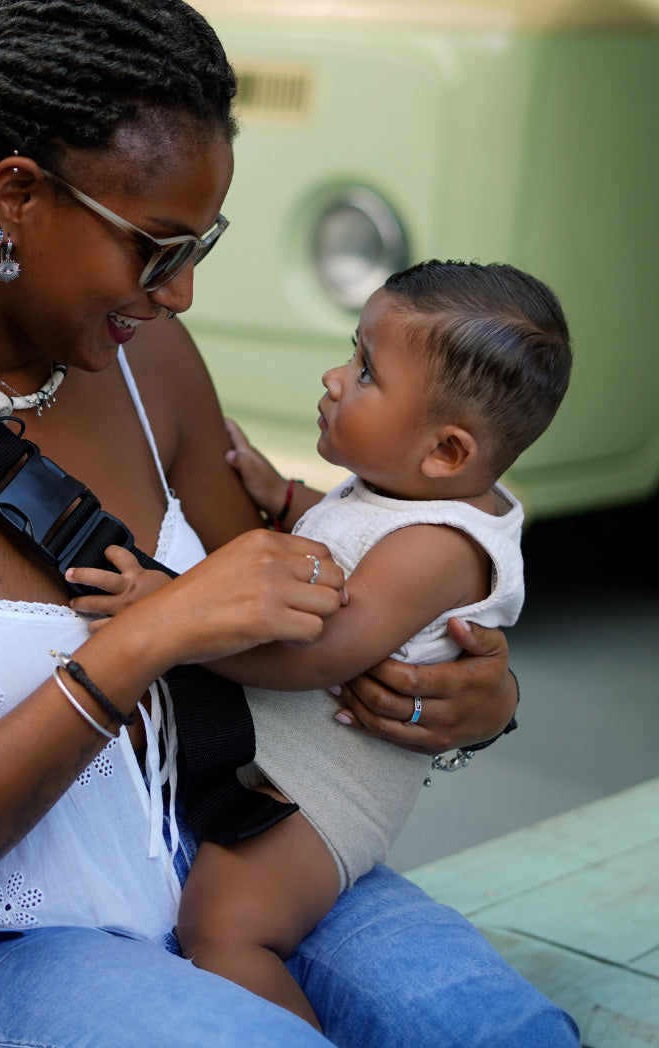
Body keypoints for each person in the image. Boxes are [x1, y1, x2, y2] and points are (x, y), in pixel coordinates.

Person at [0, 0, 578, 1048]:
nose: (181, 292)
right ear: (16, 196)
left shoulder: (145, 352)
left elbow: (307, 609)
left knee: (509, 1034)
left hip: (216, 868)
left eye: (200, 244)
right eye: (155, 246)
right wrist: (139, 641)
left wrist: (464, 708)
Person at [66, 259, 572, 1027]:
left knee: (222, 928)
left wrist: (170, 612)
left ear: (447, 453)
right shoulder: (409, 488)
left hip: (321, 800)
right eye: (352, 351)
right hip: (279, 769)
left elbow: (319, 652)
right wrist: (289, 499)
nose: (336, 378)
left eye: (366, 371)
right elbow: (354, 532)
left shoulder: (438, 545)